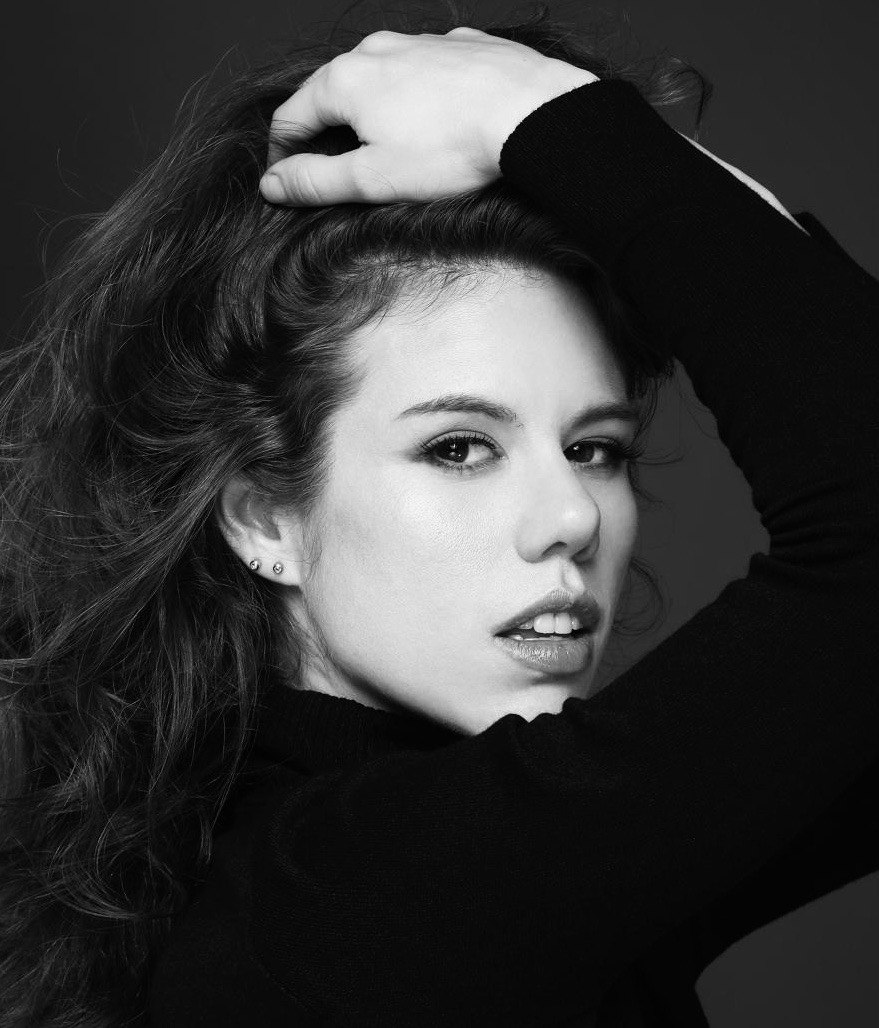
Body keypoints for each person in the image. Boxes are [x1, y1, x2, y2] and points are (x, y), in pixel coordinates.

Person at [1, 8, 877, 1027]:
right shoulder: (344, 907)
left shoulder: (478, 873)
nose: (571, 516)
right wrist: (551, 121)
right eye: (459, 446)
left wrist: (571, 138)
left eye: (594, 448)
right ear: (266, 518)